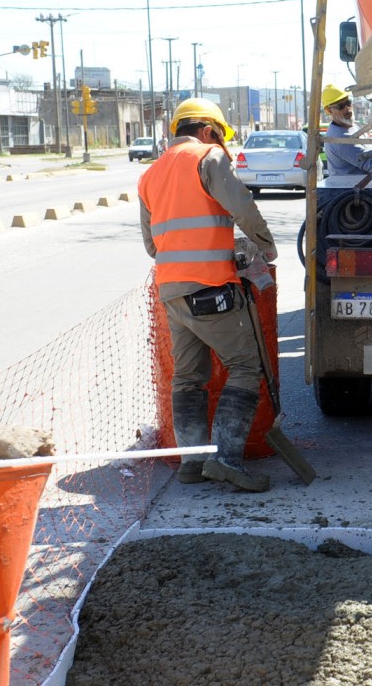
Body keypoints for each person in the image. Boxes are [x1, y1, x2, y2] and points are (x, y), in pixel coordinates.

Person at [138, 98, 278, 493]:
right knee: (246, 367)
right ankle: (226, 461)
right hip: (210, 288)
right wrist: (264, 245)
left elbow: (153, 246)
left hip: (172, 291)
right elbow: (242, 206)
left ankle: (193, 464)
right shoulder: (209, 157)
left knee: (188, 378)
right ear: (206, 131)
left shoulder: (150, 174)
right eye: (219, 135)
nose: (222, 144)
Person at [320, 83, 372, 176]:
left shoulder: (350, 126)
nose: (347, 108)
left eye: (348, 102)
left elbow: (371, 152)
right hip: (349, 188)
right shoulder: (339, 138)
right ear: (330, 111)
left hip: (361, 185)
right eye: (340, 106)